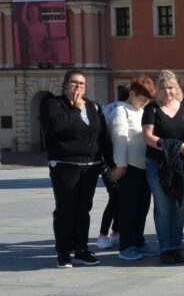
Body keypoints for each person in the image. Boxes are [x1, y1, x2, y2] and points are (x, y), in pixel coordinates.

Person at [41, 70, 112, 268]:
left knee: (83, 209)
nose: (79, 87)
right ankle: (63, 252)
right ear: (65, 85)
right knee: (65, 209)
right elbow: (55, 127)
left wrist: (111, 163)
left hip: (90, 166)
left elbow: (102, 136)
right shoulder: (53, 105)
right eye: (74, 83)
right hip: (65, 166)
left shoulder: (92, 106)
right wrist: (74, 110)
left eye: (82, 84)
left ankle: (81, 249)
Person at [143, 71, 184, 262]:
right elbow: (148, 138)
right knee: (163, 207)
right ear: (158, 91)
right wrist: (176, 147)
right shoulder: (151, 110)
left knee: (179, 207)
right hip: (158, 165)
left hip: (181, 165)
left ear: (176, 89)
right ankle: (165, 248)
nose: (168, 92)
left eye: (171, 88)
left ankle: (176, 246)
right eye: (164, 88)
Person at [108, 76, 156, 262]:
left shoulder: (140, 111)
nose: (145, 102)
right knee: (128, 208)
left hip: (144, 167)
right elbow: (119, 139)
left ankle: (138, 240)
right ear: (132, 93)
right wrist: (120, 165)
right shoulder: (121, 111)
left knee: (142, 207)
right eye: (143, 98)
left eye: (148, 99)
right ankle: (126, 245)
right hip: (129, 168)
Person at [98, 85, 130, 250]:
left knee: (119, 197)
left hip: (112, 161)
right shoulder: (119, 110)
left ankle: (116, 232)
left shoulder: (107, 108)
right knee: (115, 196)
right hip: (110, 162)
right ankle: (104, 234)